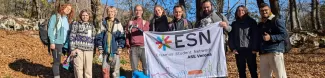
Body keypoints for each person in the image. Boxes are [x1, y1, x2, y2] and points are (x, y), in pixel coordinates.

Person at [257, 3, 288, 78]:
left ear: (270, 10)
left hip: (275, 52)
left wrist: (271, 37)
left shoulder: (276, 21)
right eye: (262, 11)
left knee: (280, 76)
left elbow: (284, 35)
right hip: (263, 53)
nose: (264, 12)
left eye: (266, 10)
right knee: (264, 76)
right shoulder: (260, 24)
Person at [95, 6, 125, 78]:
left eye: (112, 11)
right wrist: (100, 47)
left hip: (115, 51)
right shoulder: (103, 23)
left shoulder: (118, 24)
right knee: (105, 70)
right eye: (109, 11)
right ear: (107, 12)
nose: (110, 13)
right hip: (105, 51)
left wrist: (120, 47)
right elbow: (99, 37)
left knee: (116, 72)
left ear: (115, 13)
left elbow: (121, 37)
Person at [228, 5, 258, 78]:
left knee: (253, 70)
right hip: (239, 51)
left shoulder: (252, 22)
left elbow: (256, 36)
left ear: (246, 12)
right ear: (236, 13)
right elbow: (231, 37)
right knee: (241, 71)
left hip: (250, 50)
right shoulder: (234, 24)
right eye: (239, 11)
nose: (240, 12)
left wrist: (255, 48)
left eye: (242, 10)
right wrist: (233, 48)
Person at [47, 3, 74, 78]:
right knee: (57, 62)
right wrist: (52, 42)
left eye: (69, 10)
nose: (68, 10)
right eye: (67, 8)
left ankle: (66, 72)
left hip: (64, 44)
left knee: (67, 60)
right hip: (57, 43)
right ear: (63, 7)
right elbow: (50, 30)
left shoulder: (66, 19)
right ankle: (57, 76)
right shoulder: (55, 17)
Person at [69, 9, 96, 78]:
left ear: (89, 16)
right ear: (81, 16)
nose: (85, 17)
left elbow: (92, 38)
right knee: (78, 69)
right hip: (78, 50)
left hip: (89, 50)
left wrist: (93, 49)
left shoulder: (91, 26)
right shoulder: (76, 24)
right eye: (83, 15)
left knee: (88, 69)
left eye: (86, 15)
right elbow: (72, 36)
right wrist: (73, 49)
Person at [125, 5, 150, 76]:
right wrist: (128, 46)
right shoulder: (130, 23)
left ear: (142, 11)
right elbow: (127, 36)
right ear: (134, 11)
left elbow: (148, 35)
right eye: (136, 10)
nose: (138, 11)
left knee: (146, 68)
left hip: (144, 48)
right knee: (134, 69)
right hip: (133, 48)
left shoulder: (146, 22)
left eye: (139, 10)